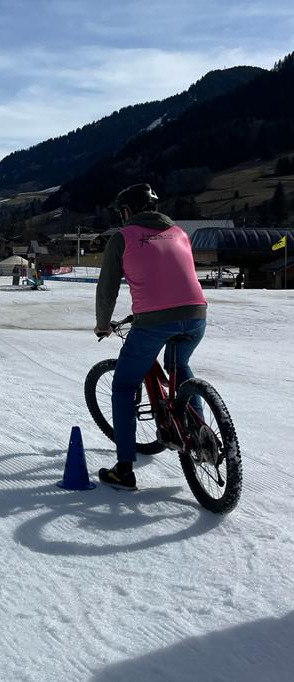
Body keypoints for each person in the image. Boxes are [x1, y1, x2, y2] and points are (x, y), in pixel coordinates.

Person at [94, 183, 207, 490]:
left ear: (127, 211)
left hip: (154, 321)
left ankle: (124, 469)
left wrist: (103, 324)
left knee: (124, 385)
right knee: (180, 367)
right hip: (197, 314)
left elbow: (107, 288)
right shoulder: (180, 232)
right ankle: (200, 434)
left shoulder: (123, 237)